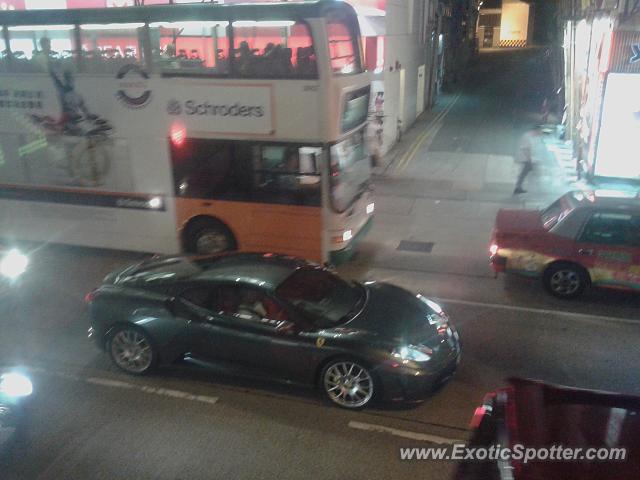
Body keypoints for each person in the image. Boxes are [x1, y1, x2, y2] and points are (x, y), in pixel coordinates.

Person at [513, 129, 542, 195]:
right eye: (539, 133)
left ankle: (518, 187)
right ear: (536, 131)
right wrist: (530, 159)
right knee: (524, 174)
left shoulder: (531, 137)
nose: (539, 135)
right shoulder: (527, 136)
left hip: (527, 159)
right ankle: (518, 187)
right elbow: (526, 149)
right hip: (526, 159)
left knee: (524, 174)